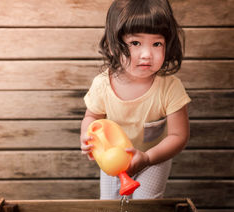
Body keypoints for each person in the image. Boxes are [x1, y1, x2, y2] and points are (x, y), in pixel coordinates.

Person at [80, 0, 191, 200]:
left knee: (144, 207)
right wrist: (87, 138)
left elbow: (178, 136)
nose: (147, 54)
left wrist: (147, 158)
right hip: (113, 157)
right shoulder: (103, 84)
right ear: (113, 46)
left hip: (154, 157)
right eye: (135, 43)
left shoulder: (169, 87)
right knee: (111, 210)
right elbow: (92, 117)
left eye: (157, 44)